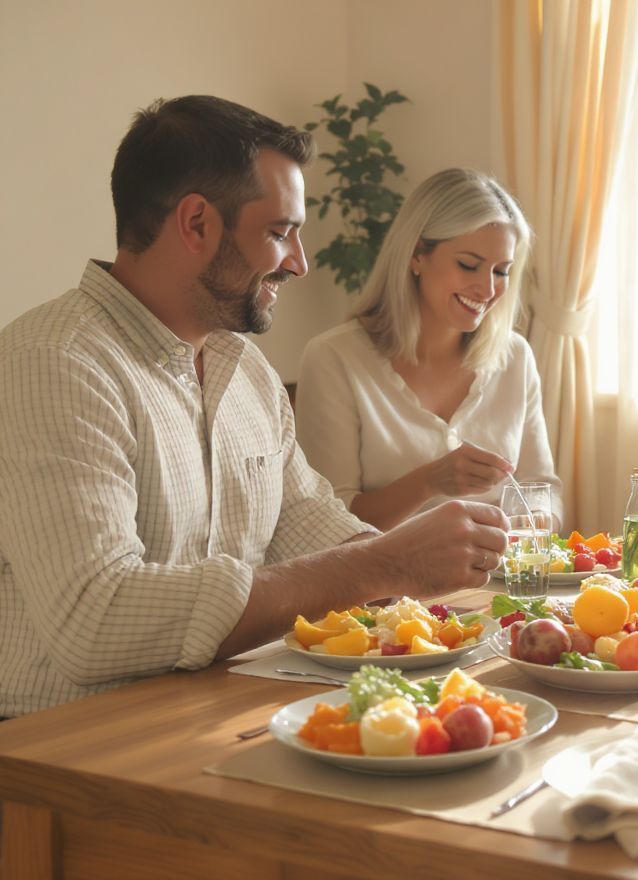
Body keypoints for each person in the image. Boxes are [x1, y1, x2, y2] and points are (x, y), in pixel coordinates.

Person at [0, 96, 508, 718]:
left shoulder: (245, 372)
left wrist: (418, 590)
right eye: (279, 231)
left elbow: (307, 523)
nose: (299, 261)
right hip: (66, 750)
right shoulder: (55, 361)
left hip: (216, 713)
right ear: (196, 224)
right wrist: (386, 563)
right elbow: (95, 619)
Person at [295, 168, 561, 531]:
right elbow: (325, 522)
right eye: (469, 265)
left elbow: (544, 490)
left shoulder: (515, 357)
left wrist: (539, 516)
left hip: (493, 583)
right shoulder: (333, 358)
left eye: (501, 272)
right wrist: (430, 482)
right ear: (417, 254)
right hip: (384, 586)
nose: (487, 289)